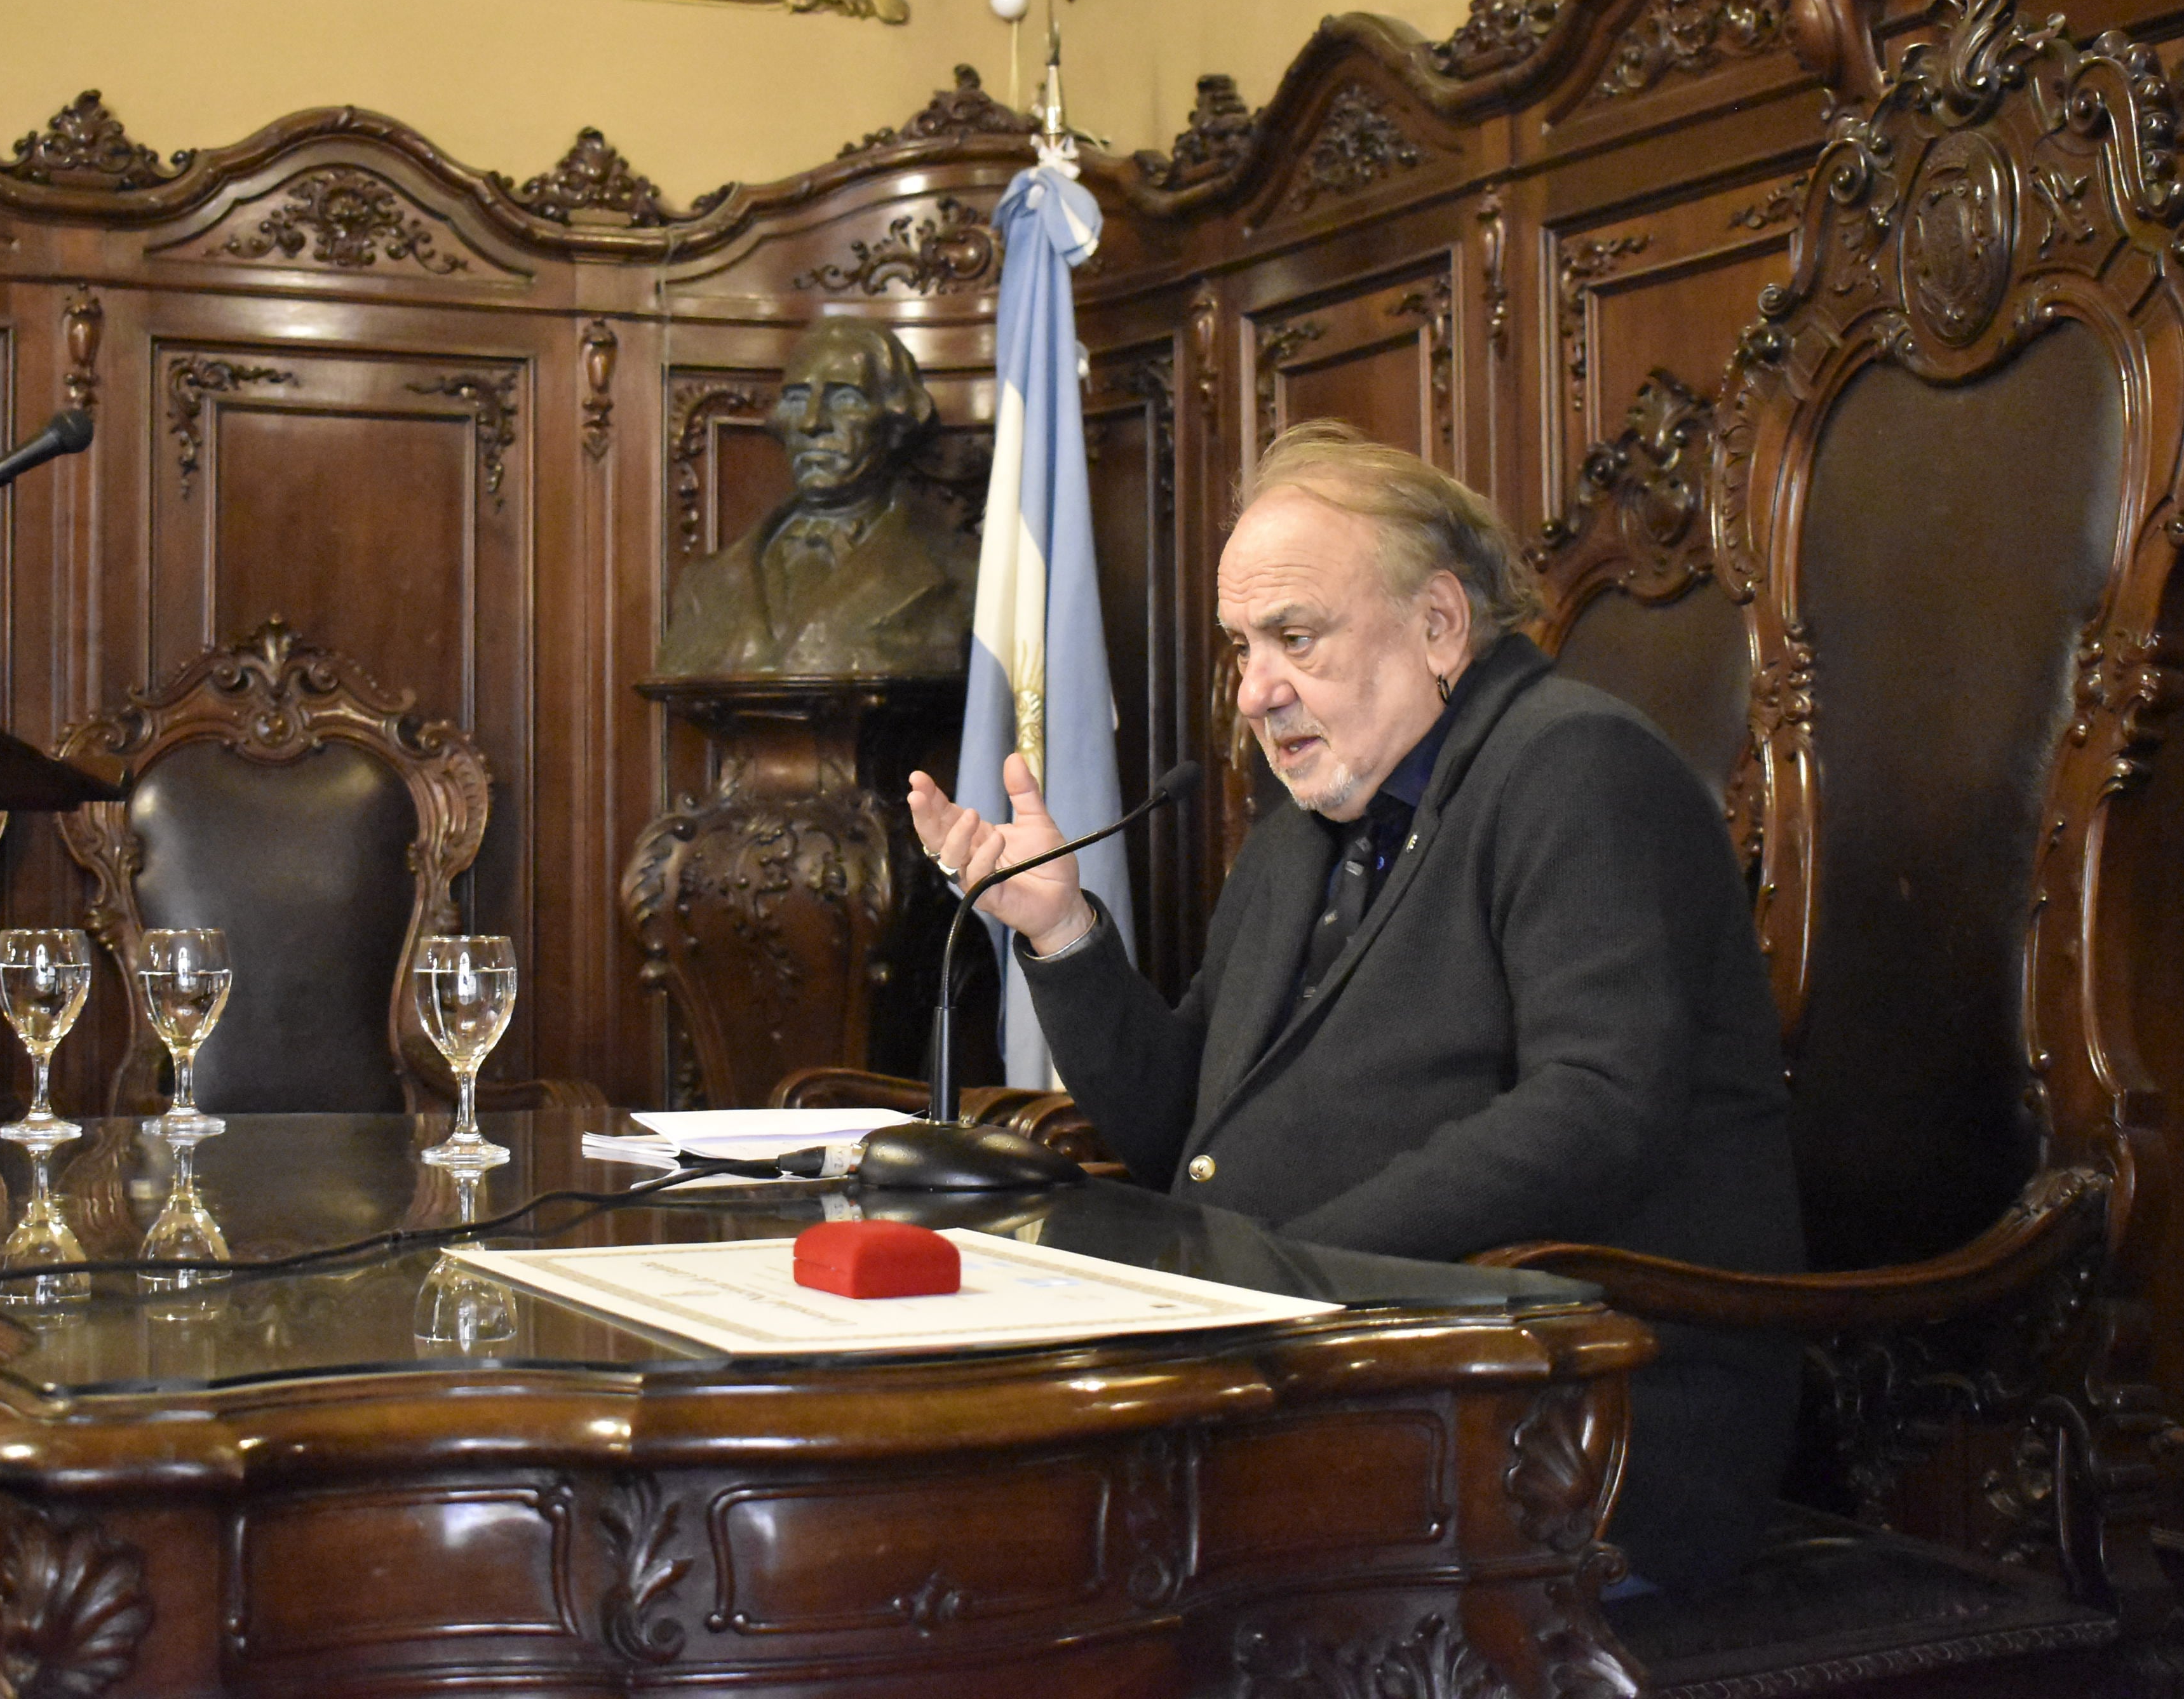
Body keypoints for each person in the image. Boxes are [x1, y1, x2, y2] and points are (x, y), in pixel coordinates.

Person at [905, 421, 1803, 1592]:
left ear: (1437, 626)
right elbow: (1187, 1134)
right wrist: (1059, 933)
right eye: (1240, 649)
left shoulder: (1575, 768)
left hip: (1571, 1419)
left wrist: (1283, 1269)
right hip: (1329, 1373)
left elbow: (1596, 1109)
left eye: (1294, 640)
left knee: (1043, 1556)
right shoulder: (1303, 829)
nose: (1253, 693)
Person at [655, 317, 976, 678]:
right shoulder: (706, 585)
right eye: (796, 399)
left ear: (896, 421)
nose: (811, 423)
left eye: (844, 399)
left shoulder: (964, 571)